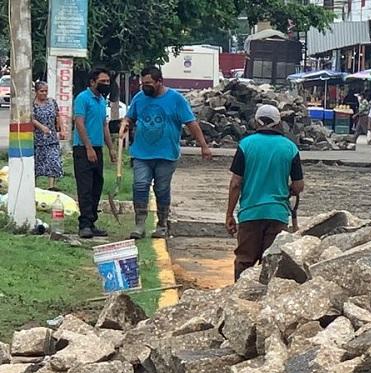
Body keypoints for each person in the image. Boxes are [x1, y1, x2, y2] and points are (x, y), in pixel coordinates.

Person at [122, 66, 213, 240]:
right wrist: (125, 123)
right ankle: (139, 224)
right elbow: (130, 117)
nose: (144, 87)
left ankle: (162, 224)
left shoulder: (176, 99)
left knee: (162, 189)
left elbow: (191, 123)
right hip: (142, 153)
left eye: (148, 83)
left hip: (166, 154)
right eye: (143, 83)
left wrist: (203, 145)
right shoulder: (139, 98)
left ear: (159, 82)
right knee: (140, 186)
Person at [225, 104, 304, 281]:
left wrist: (229, 214)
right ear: (278, 123)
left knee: (244, 261)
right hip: (278, 215)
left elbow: (236, 183)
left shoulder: (246, 145)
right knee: (272, 264)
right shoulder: (290, 148)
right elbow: (299, 185)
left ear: (257, 122)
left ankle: (238, 298)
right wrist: (286, 191)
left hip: (250, 214)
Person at [72, 67, 116, 238]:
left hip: (97, 148)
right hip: (83, 148)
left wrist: (111, 148)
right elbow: (80, 123)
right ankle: (84, 225)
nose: (106, 84)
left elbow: (104, 125)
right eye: (102, 81)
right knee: (85, 187)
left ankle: (91, 222)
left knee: (96, 186)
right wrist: (88, 147)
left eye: (107, 82)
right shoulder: (83, 98)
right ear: (92, 82)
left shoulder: (101, 100)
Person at [32, 81, 63, 189]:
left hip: (52, 137)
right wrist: (41, 127)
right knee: (37, 163)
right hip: (38, 138)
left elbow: (58, 115)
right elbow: (31, 119)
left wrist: (61, 129)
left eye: (46, 91)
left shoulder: (52, 102)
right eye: (42, 91)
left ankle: (51, 187)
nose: (44, 93)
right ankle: (34, 187)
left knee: (54, 160)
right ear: (36, 92)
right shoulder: (32, 105)